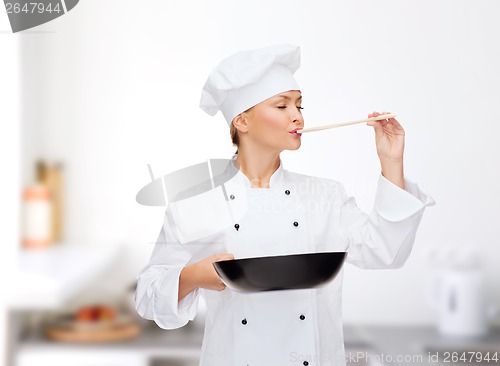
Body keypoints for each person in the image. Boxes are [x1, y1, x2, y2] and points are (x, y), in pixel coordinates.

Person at [135, 44, 435, 366]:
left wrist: (391, 161)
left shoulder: (325, 196)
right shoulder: (197, 203)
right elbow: (148, 297)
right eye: (282, 106)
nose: (298, 117)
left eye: (300, 105)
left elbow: (385, 251)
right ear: (242, 121)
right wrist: (192, 276)